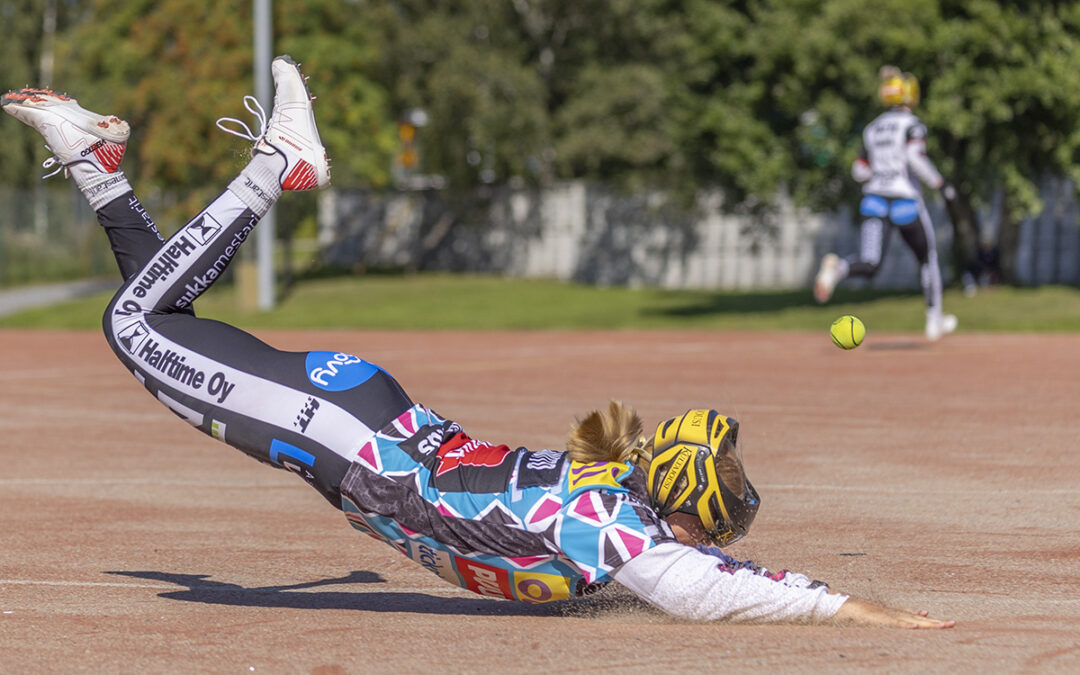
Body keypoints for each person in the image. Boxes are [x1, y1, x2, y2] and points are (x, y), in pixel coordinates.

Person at [3, 56, 954, 628]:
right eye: (727, 476)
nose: (739, 488)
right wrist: (869, 612)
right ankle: (273, 167)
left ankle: (95, 161)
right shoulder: (633, 541)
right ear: (691, 504)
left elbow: (723, 573)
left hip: (374, 417)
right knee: (139, 327)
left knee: (171, 326)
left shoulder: (624, 516)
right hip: (348, 435)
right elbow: (746, 593)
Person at [814, 66, 958, 341]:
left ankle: (838, 270)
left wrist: (879, 175)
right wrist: (940, 184)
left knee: (870, 263)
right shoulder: (912, 125)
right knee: (928, 260)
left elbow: (859, 170)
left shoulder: (872, 128)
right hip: (905, 202)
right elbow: (916, 159)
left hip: (874, 201)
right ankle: (933, 320)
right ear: (911, 96)